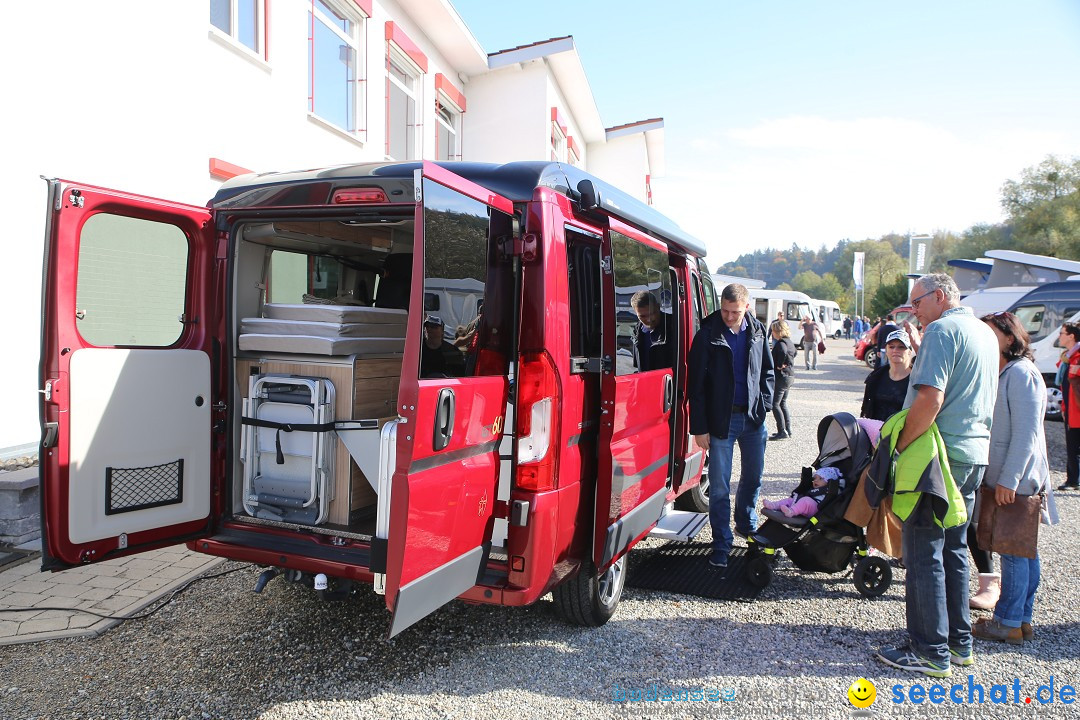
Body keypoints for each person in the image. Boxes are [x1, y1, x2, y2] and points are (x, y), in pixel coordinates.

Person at [875, 273, 998, 678]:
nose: (914, 311)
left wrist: (902, 447)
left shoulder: (943, 331)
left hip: (937, 457)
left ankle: (929, 651)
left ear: (941, 296)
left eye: (918, 302)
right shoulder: (983, 331)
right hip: (972, 454)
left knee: (924, 551)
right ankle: (958, 644)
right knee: (954, 550)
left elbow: (930, 398)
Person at [972, 312, 1059, 644]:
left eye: (991, 334)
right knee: (1022, 550)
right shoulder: (1007, 372)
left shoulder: (1022, 373)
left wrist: (1009, 479)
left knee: (1013, 551)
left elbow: (1027, 435)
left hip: (1017, 481)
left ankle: (1007, 621)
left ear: (1010, 338)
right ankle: (1020, 619)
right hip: (1011, 479)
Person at [689, 283, 774, 569]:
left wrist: (765, 404)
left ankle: (747, 527)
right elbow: (696, 386)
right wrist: (699, 427)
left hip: (753, 419)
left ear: (746, 308)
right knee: (720, 487)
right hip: (720, 422)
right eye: (724, 310)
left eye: (734, 311)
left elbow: (768, 371)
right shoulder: (706, 335)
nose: (728, 316)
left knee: (753, 478)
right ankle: (721, 543)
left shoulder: (759, 331)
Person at [860, 329, 913, 422]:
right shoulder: (876, 377)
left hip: (905, 433)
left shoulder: (917, 380)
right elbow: (866, 408)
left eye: (901, 347)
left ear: (909, 351)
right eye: (891, 347)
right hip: (875, 431)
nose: (895, 350)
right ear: (886, 351)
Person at [763, 466, 845, 518]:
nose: (816, 480)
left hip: (817, 510)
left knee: (806, 500)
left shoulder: (832, 490)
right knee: (790, 500)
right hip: (807, 506)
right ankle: (773, 505)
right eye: (815, 478)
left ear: (829, 482)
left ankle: (791, 512)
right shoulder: (817, 488)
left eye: (820, 478)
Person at [1058, 322, 1080, 490]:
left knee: (1075, 446)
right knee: (1072, 446)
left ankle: (1074, 480)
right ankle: (1072, 479)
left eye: (1062, 333)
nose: (1059, 336)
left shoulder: (1076, 357)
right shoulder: (1068, 357)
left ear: (1071, 336)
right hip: (1071, 409)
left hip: (1077, 411)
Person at [630, 291, 673, 371]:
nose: (649, 319)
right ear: (636, 314)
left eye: (652, 313)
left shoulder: (674, 326)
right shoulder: (637, 333)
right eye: (642, 316)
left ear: (658, 307)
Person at [769, 322, 796, 440]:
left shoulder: (781, 344)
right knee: (783, 403)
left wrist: (779, 364)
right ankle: (788, 429)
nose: (772, 334)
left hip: (782, 376)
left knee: (775, 404)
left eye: (773, 331)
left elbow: (782, 351)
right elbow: (795, 352)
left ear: (778, 331)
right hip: (790, 375)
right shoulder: (789, 342)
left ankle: (781, 430)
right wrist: (788, 363)